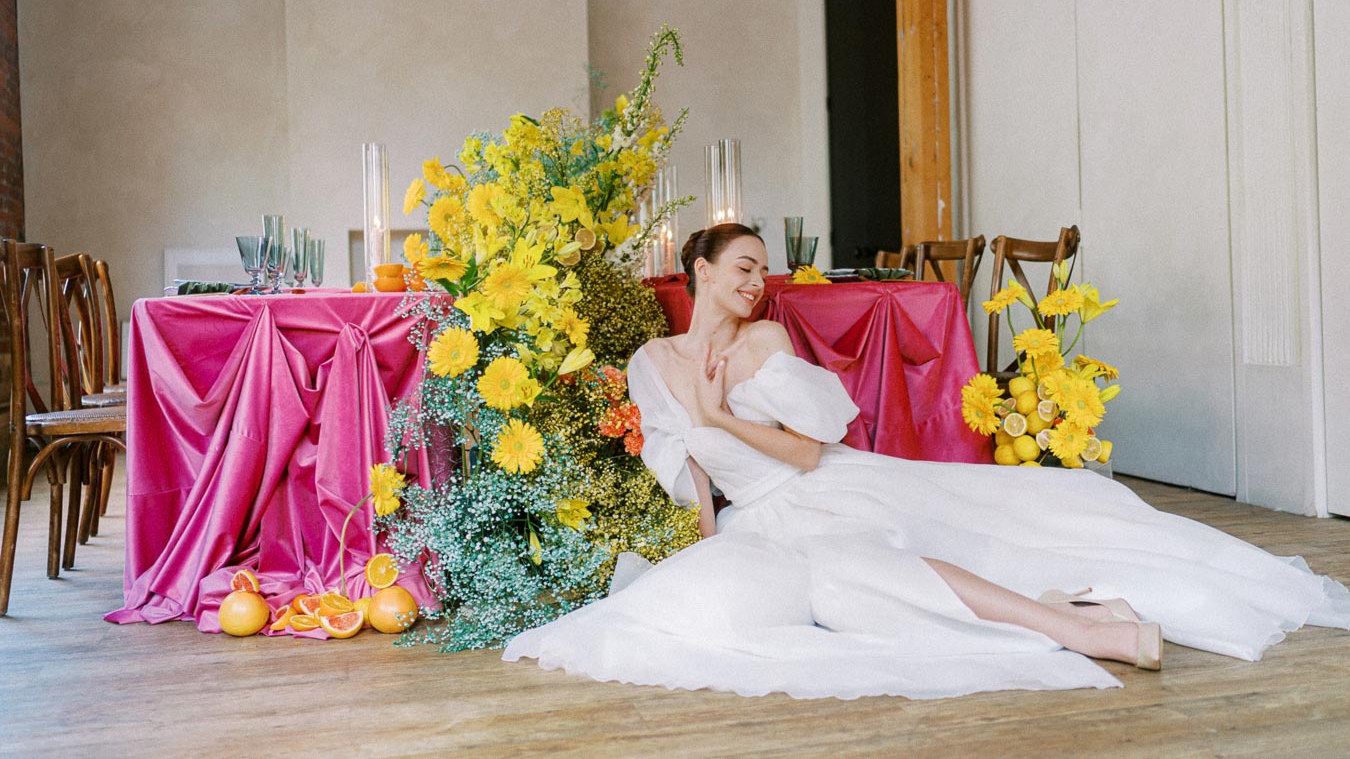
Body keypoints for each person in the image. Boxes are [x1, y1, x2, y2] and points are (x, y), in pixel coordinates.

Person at [504, 224, 1350, 700]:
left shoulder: (765, 342)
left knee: (885, 560)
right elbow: (685, 467)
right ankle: (1082, 622)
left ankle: (1091, 629)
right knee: (844, 587)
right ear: (698, 271)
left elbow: (809, 449)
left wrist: (722, 412)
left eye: (763, 270)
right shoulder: (654, 361)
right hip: (754, 520)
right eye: (742, 268)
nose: (758, 283)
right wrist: (702, 535)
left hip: (821, 485)